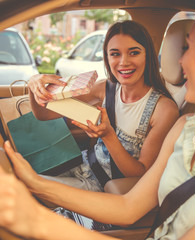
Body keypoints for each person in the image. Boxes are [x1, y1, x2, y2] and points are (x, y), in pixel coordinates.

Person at [0, 0, 195, 239]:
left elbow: (132, 189)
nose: (179, 59)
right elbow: (129, 207)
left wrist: (35, 219)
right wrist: (36, 184)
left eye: (190, 47)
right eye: (114, 54)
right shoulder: (188, 127)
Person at [26, 20, 179, 192]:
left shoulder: (164, 110)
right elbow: (43, 115)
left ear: (148, 55)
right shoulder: (105, 88)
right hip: (82, 164)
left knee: (29, 188)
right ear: (106, 57)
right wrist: (34, 85)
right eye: (115, 54)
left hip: (103, 185)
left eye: (134, 52)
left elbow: (141, 173)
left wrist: (108, 136)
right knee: (22, 176)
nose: (123, 62)